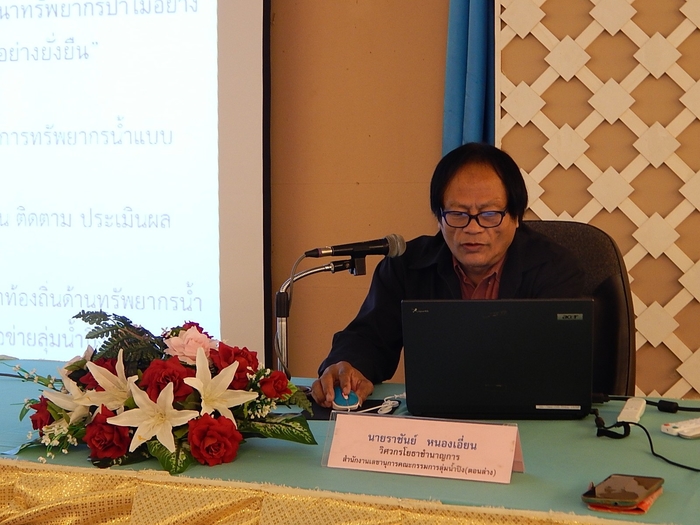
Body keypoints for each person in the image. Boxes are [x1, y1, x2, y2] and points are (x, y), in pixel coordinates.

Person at [310, 142, 584, 408]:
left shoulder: (555, 268)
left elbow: (565, 365)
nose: (473, 228)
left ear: (516, 216)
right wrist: (348, 366)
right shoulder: (406, 265)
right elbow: (369, 338)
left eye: (489, 214)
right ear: (439, 216)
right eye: (457, 214)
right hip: (435, 421)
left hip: (528, 418)